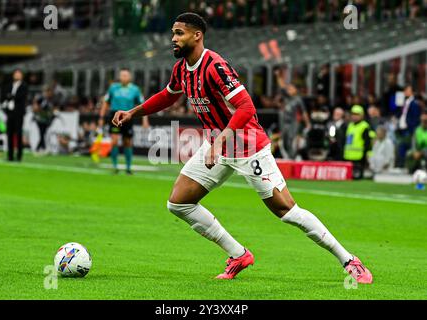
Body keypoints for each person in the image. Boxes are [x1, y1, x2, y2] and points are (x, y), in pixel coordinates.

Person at [112, 12, 372, 283]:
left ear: (197, 35)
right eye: (173, 33)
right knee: (179, 203)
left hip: (249, 146)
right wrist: (133, 112)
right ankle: (238, 254)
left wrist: (219, 142)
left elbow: (246, 107)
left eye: (179, 33)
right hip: (218, 145)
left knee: (287, 211)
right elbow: (168, 96)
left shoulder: (215, 66)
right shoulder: (181, 69)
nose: (173, 39)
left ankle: (350, 261)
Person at [99, 69, 148, 174]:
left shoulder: (135, 89)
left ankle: (128, 168)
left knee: (127, 142)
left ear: (129, 77)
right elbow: (105, 103)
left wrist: (145, 120)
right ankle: (115, 166)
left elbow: (142, 105)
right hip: (115, 116)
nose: (124, 77)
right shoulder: (113, 88)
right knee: (114, 141)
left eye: (126, 75)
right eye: (122, 75)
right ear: (119, 77)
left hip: (128, 117)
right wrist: (101, 118)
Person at [3, 69, 28, 162]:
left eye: (19, 74)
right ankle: (10, 155)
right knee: (9, 134)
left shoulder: (24, 86)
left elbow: (21, 97)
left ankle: (19, 156)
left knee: (18, 134)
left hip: (18, 113)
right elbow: (5, 96)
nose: (17, 75)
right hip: (10, 112)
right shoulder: (9, 85)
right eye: (15, 73)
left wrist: (11, 96)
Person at [344, 105, 373, 179]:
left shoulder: (364, 126)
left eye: (357, 114)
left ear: (362, 115)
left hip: (359, 157)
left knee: (357, 177)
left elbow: (367, 142)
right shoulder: (350, 125)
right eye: (353, 114)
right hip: (348, 156)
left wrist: (367, 153)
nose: (354, 116)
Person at [395, 85, 421, 167]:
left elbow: (415, 117)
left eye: (407, 90)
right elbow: (400, 114)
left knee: (403, 147)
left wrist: (412, 128)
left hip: (408, 129)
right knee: (401, 147)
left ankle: (403, 165)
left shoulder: (414, 103)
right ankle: (402, 164)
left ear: (412, 92)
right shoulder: (404, 102)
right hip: (401, 129)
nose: (405, 92)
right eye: (405, 90)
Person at [32, 86, 55, 154]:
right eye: (49, 92)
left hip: (46, 119)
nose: (50, 94)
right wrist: (40, 110)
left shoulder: (50, 100)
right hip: (40, 119)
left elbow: (50, 109)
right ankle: (43, 148)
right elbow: (35, 107)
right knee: (42, 133)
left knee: (43, 133)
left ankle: (38, 148)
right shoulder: (41, 98)